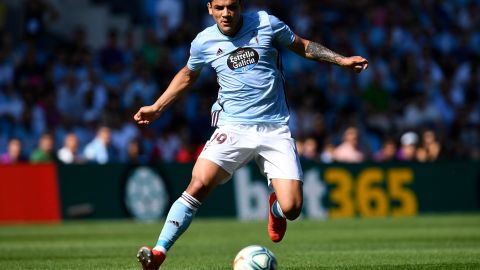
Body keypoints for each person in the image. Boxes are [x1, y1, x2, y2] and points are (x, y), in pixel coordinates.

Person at [133, 0, 368, 269]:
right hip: (233, 128)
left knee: (291, 208)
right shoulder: (203, 42)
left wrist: (342, 61)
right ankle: (160, 251)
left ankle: (275, 208)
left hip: (274, 128)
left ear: (240, 6)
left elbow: (302, 45)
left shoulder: (267, 23)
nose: (226, 13)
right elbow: (188, 75)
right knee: (197, 184)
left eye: (231, 6)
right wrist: (157, 107)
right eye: (219, 7)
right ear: (209, 8)